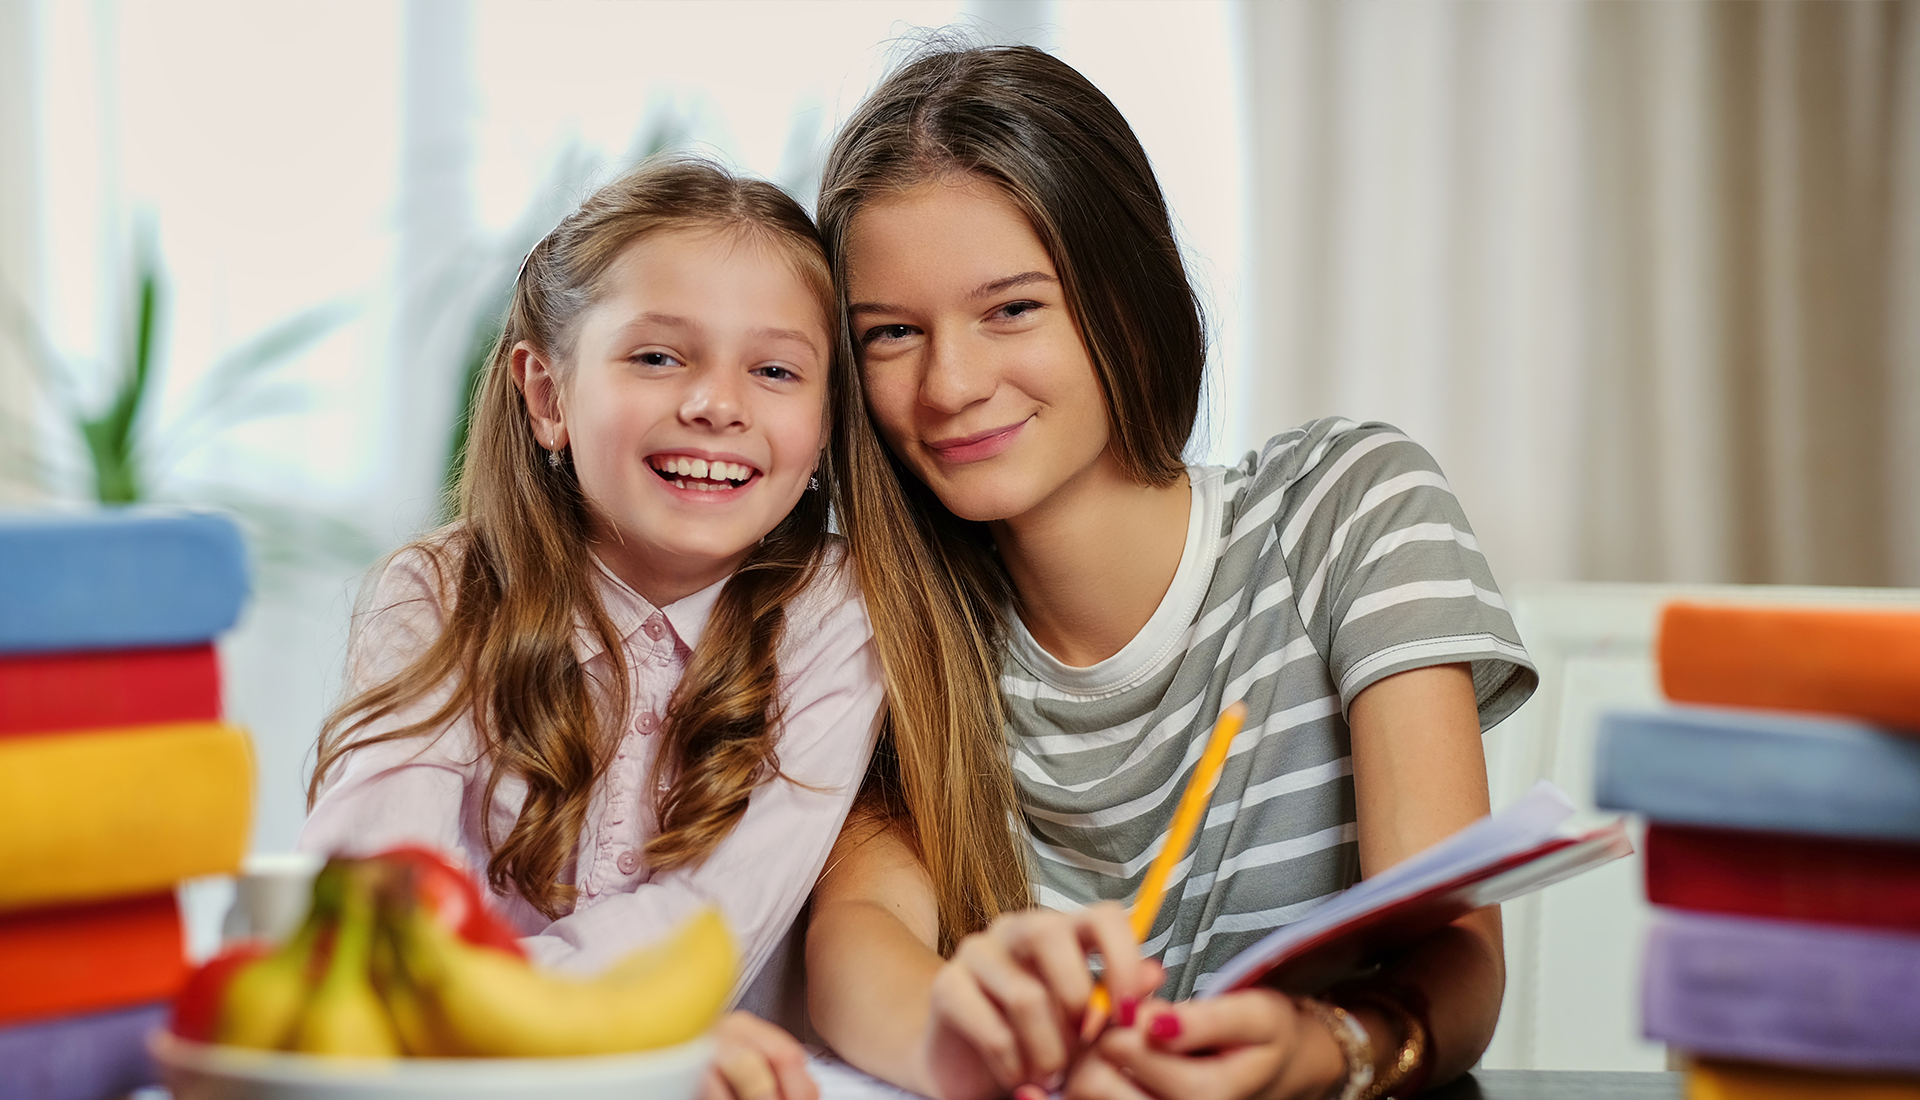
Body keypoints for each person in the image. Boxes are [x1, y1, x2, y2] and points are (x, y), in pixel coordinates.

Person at [805, 45, 1538, 1100]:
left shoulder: (1349, 511)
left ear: (1126, 296)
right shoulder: (890, 619)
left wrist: (1326, 1046)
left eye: (1012, 308)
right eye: (891, 334)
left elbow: (1456, 950)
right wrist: (962, 1039)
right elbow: (858, 938)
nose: (951, 383)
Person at [299, 159, 881, 1100]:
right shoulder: (442, 594)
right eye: (658, 357)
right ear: (547, 395)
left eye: (774, 370)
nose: (717, 404)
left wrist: (474, 1014)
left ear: (823, 427)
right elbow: (368, 893)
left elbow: (713, 924)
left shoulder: (836, 616)